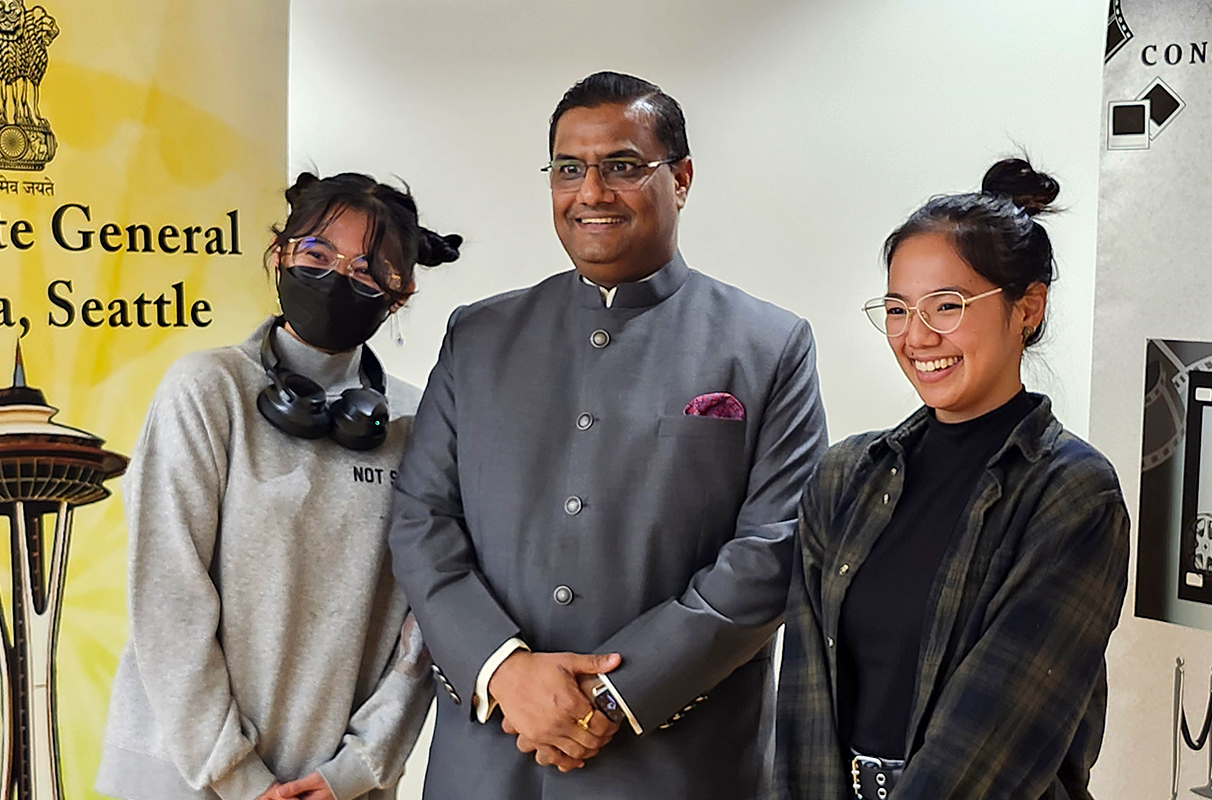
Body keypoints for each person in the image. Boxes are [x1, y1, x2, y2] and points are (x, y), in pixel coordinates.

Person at [389, 71, 828, 799]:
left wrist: (615, 694)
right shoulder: (478, 336)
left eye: (622, 166)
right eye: (569, 169)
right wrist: (503, 668)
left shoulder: (768, 345)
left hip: (679, 769)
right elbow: (421, 518)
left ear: (680, 179)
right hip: (488, 764)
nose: (590, 192)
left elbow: (774, 549)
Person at [95, 172, 461, 800]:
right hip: (187, 776)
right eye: (317, 254)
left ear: (399, 294)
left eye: (367, 269)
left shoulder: (418, 422)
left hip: (340, 787)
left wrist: (358, 769)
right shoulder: (207, 390)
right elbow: (168, 598)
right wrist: (237, 777)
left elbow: (427, 621)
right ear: (280, 254)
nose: (337, 277)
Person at [773, 158, 1130, 800]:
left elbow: (999, 731)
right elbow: (804, 710)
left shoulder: (1071, 492)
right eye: (897, 309)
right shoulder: (844, 479)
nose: (916, 336)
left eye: (947, 306)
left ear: (1028, 308)